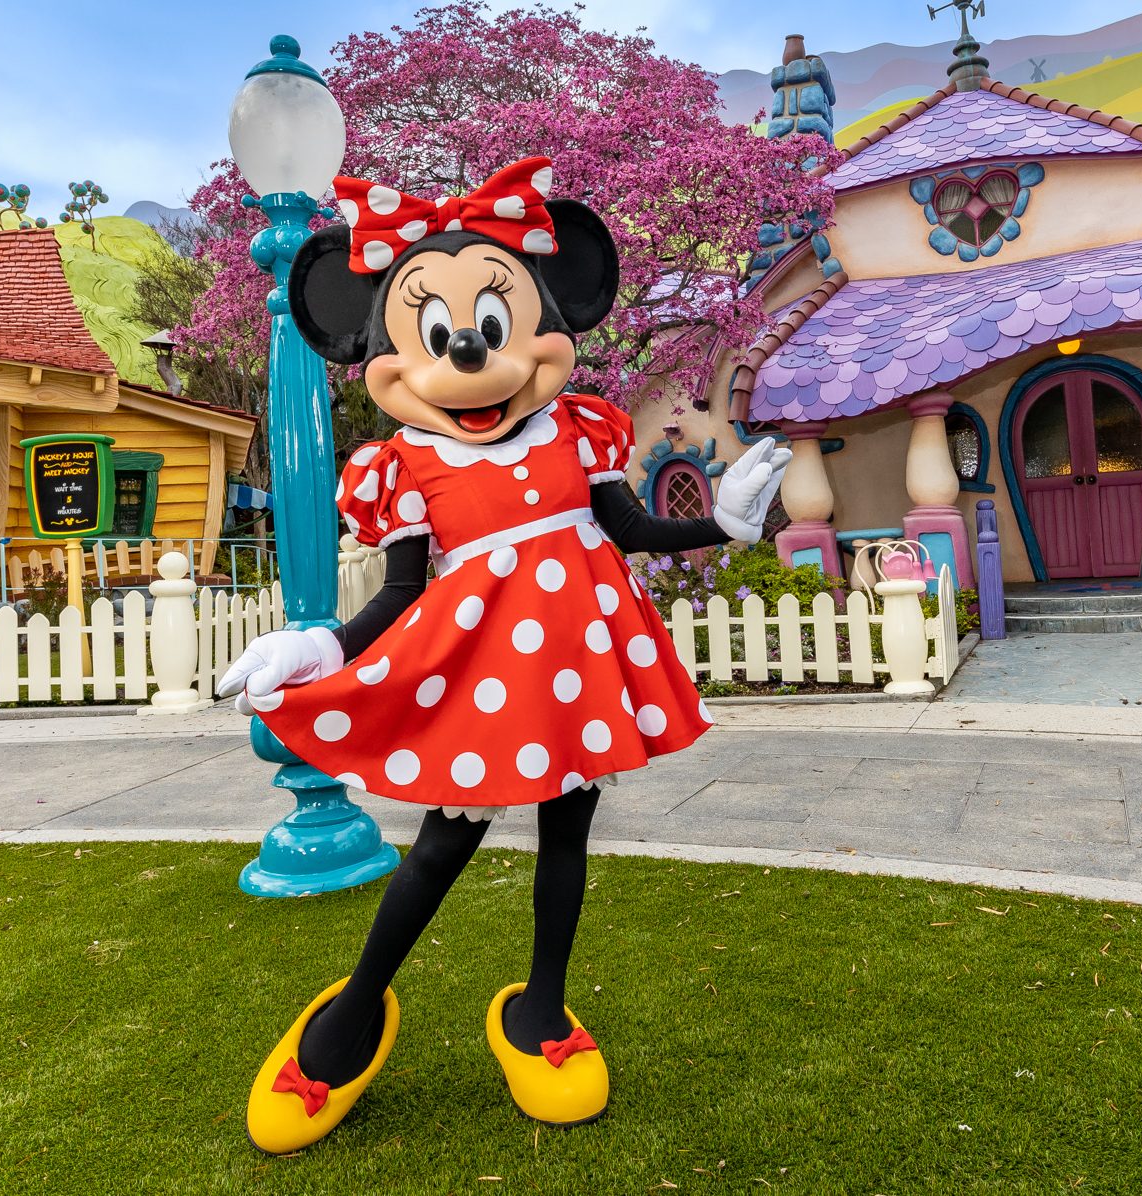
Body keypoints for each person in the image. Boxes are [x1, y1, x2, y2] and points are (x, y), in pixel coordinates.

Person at [219, 157, 789, 1154]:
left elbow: (628, 530)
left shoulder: (577, 429)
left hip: (579, 668)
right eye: (436, 333)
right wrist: (318, 644)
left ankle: (542, 1012)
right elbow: (400, 591)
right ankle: (349, 1015)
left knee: (568, 837)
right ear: (378, 346)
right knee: (442, 846)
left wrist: (722, 526)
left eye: (492, 322)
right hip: (485, 679)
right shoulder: (409, 463)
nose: (472, 352)